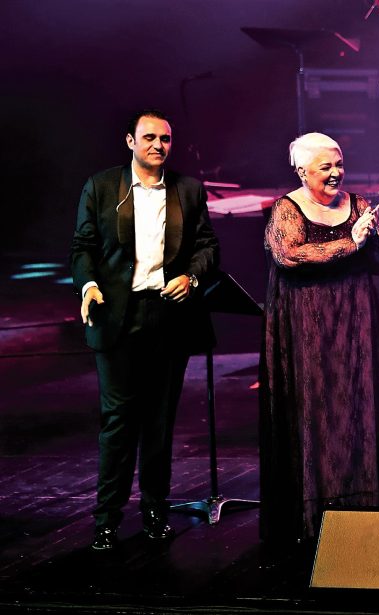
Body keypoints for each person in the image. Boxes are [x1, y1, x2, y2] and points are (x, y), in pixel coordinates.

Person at [71, 109, 219, 551]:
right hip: (117, 315)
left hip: (168, 316)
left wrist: (191, 278)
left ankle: (155, 510)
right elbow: (83, 247)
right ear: (130, 141)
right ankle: (107, 519)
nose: (158, 145)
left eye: (166, 139)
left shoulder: (188, 189)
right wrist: (89, 286)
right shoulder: (101, 186)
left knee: (159, 422)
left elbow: (207, 246)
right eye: (150, 137)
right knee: (118, 422)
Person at [259, 133, 379, 548]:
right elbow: (289, 255)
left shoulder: (357, 205)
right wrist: (350, 242)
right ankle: (316, 518)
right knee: (316, 410)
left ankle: (365, 511)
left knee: (357, 408)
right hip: (307, 326)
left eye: (339, 164)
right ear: (302, 171)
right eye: (326, 166)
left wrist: (370, 235)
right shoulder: (287, 208)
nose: (336, 172)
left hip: (355, 324)